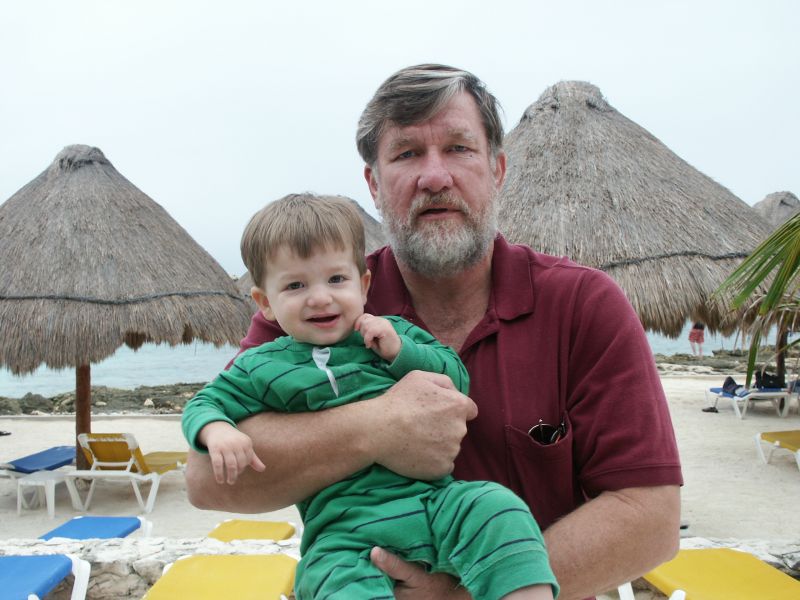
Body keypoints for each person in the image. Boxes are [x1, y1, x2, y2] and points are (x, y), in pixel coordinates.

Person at [186, 64, 683, 600]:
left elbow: (650, 516)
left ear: (497, 170)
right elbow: (207, 481)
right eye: (406, 154)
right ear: (374, 184)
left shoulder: (583, 304)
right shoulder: (313, 307)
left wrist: (460, 596)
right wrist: (377, 428)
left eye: (459, 148)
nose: (435, 176)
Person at [182, 195, 558, 600]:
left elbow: (456, 379)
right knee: (327, 578)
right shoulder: (260, 366)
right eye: (295, 285)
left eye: (336, 279)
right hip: (344, 536)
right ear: (265, 304)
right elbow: (205, 403)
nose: (320, 297)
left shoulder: (391, 333)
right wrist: (217, 431)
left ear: (362, 285)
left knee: (497, 508)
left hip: (433, 506)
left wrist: (401, 352)